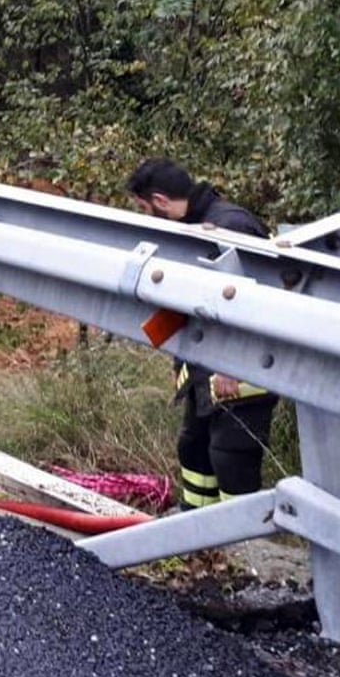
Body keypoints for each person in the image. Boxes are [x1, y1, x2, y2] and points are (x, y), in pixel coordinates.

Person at [126, 158, 278, 510]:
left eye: (146, 208)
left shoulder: (231, 226)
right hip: (203, 369)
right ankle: (196, 532)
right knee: (194, 450)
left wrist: (232, 364)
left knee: (230, 456)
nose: (148, 217)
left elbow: (259, 302)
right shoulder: (192, 226)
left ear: (161, 201)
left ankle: (241, 543)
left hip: (242, 370)